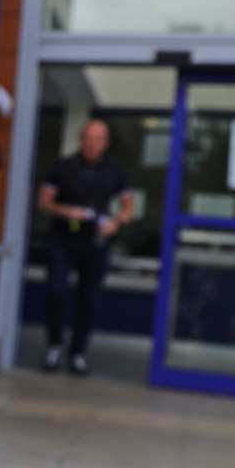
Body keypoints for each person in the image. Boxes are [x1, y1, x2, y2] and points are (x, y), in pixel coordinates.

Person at [37, 119, 134, 375]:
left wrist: (115, 223)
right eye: (88, 138)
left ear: (106, 143)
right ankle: (54, 346)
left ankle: (78, 353)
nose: (92, 143)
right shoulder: (62, 167)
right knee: (56, 291)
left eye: (98, 139)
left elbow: (128, 206)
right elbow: (43, 203)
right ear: (81, 140)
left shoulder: (116, 170)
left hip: (95, 242)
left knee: (88, 299)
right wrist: (64, 210)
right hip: (63, 238)